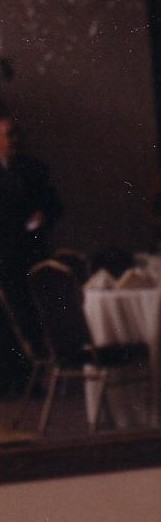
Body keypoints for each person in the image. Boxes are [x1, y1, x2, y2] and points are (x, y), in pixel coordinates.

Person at [0, 106, 63, 393]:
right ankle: (23, 375)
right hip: (6, 255)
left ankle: (49, 368)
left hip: (34, 252)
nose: (14, 140)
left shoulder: (33, 168)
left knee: (42, 313)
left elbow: (54, 204)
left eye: (16, 134)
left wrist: (42, 216)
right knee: (17, 316)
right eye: (8, 135)